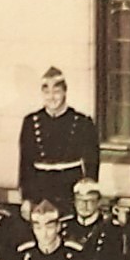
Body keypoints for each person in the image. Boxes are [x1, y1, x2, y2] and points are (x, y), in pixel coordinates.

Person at [17, 67, 100, 213]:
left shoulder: (82, 122)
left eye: (56, 92)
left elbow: (92, 162)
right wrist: (27, 198)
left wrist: (87, 192)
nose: (52, 97)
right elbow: (25, 163)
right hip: (40, 188)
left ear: (65, 91)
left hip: (69, 187)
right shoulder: (30, 122)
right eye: (47, 92)